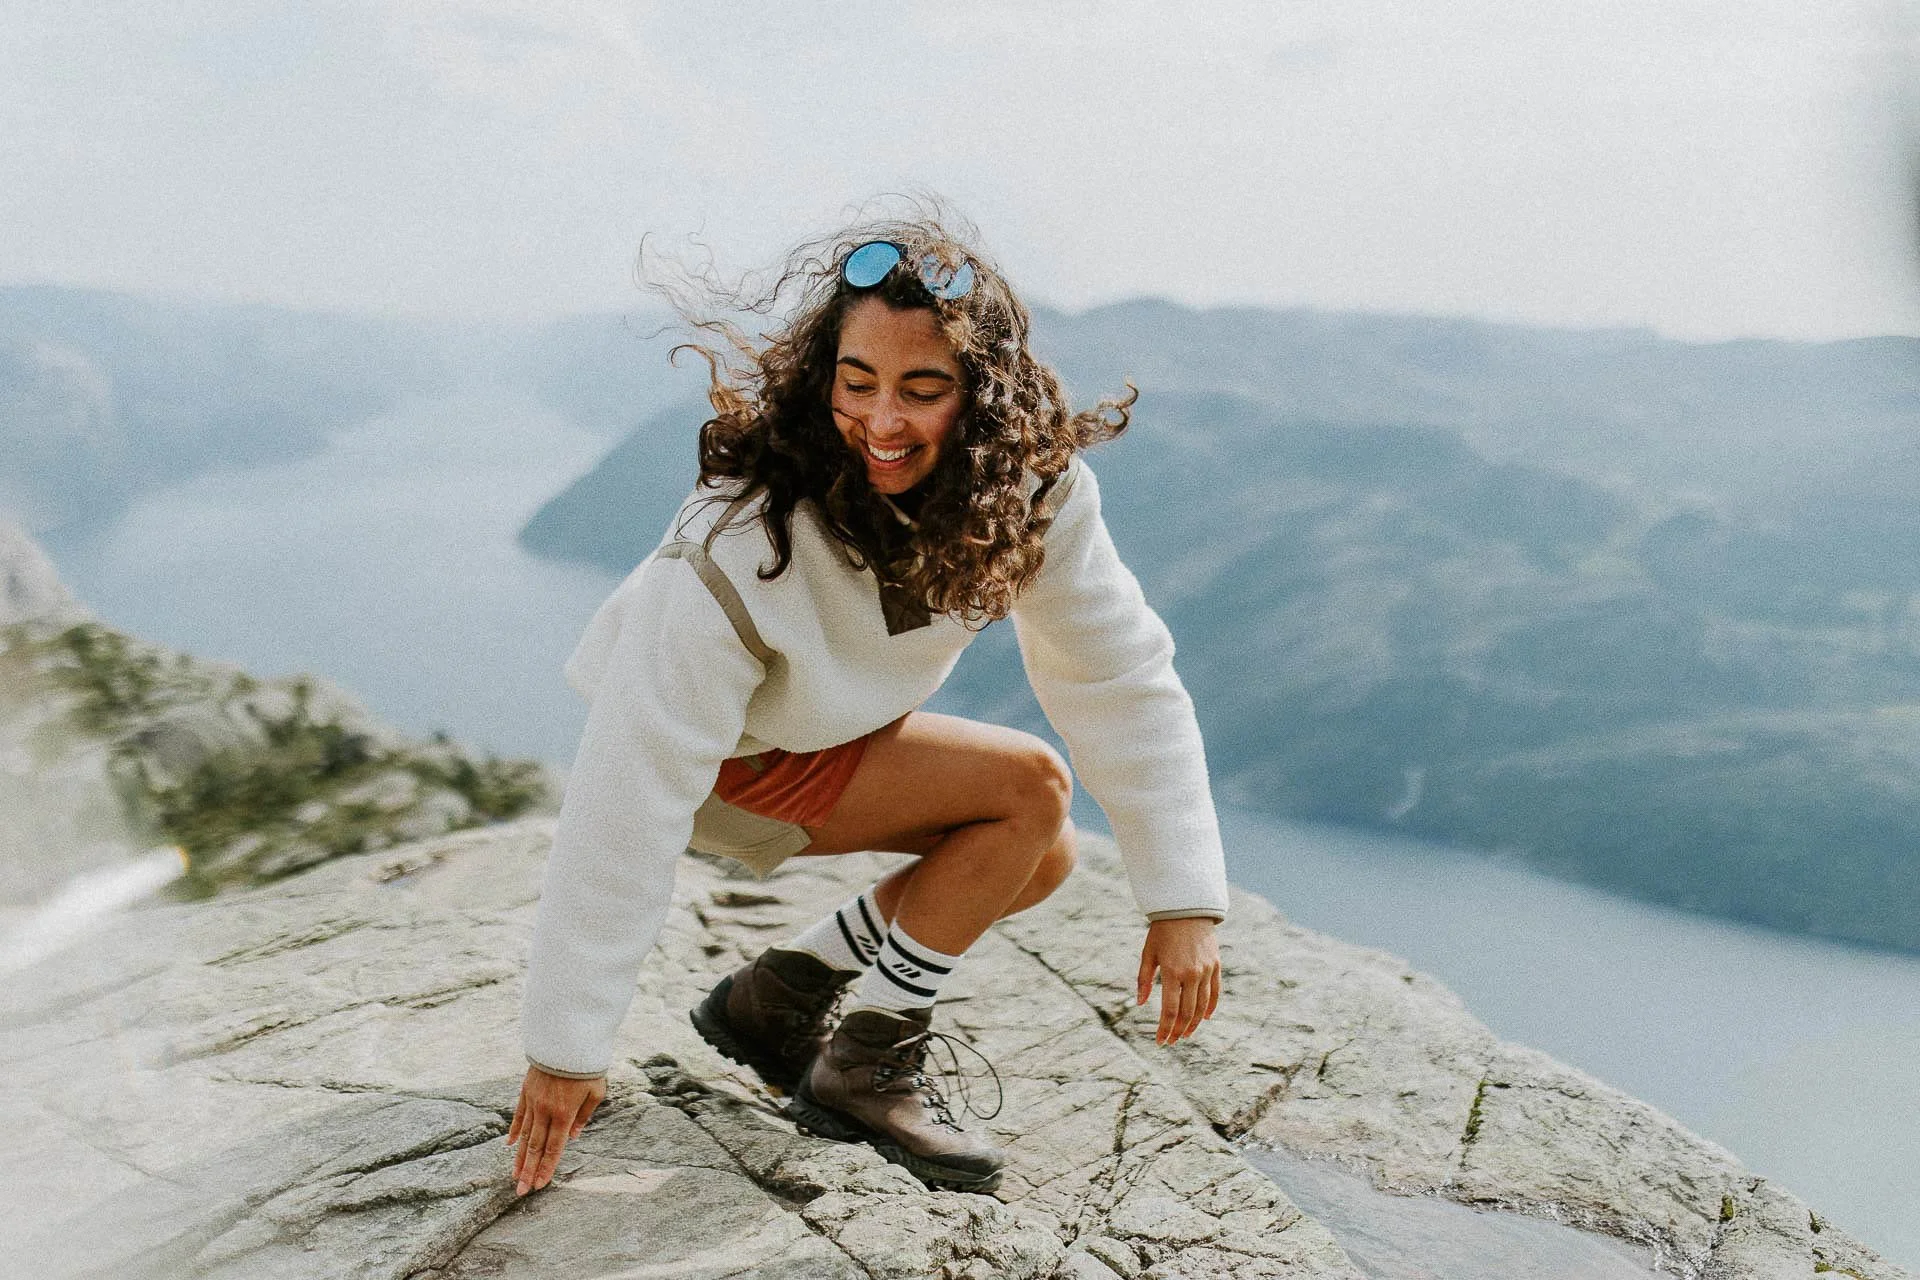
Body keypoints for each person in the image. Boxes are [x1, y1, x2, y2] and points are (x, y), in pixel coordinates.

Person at [506, 209, 1230, 1199]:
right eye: (858, 382)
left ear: (981, 394)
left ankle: (779, 994)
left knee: (1042, 850)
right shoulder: (744, 529)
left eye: (923, 389)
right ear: (824, 375)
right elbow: (628, 790)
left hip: (820, 744)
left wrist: (1183, 898)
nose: (883, 421)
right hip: (721, 769)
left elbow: (1116, 673)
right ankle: (864, 1065)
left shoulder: (1030, 492)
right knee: (1029, 788)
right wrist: (567, 1043)